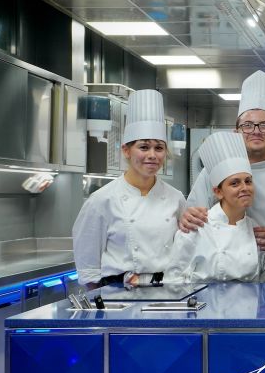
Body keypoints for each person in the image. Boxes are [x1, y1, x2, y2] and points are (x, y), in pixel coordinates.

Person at [72, 89, 186, 288]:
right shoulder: (102, 200)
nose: (152, 155)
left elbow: (186, 249)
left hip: (167, 293)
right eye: (143, 147)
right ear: (126, 150)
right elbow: (89, 267)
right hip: (119, 294)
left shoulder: (176, 198)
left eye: (159, 148)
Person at [180, 70, 265, 252]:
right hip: (221, 262)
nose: (256, 131)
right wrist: (189, 217)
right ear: (236, 133)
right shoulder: (213, 169)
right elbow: (195, 214)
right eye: (247, 125)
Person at [167, 132, 265, 283]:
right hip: (204, 305)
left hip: (247, 305)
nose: (244, 188)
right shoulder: (196, 227)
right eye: (235, 183)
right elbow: (172, 280)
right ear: (218, 192)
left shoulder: (255, 230)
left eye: (248, 181)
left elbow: (260, 283)